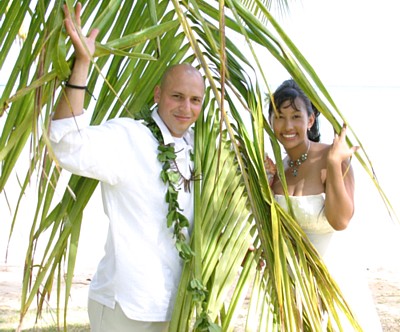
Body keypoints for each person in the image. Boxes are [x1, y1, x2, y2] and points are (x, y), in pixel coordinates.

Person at [49, 3, 205, 332]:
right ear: (157, 94)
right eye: (177, 96)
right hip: (124, 306)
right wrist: (82, 64)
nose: (186, 108)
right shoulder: (129, 137)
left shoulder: (198, 149)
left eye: (195, 100)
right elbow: (65, 144)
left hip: (174, 307)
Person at [266, 79, 382, 331]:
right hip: (293, 289)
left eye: (296, 116)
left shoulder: (334, 155)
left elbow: (340, 221)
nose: (287, 126)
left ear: (310, 120)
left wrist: (332, 163)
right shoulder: (278, 169)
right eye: (279, 116)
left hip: (334, 284)